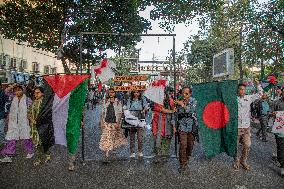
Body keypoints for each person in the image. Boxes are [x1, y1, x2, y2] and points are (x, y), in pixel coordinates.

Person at [234, 79, 263, 171]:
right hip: (236, 127)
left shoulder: (249, 98)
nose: (242, 91)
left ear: (245, 90)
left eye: (243, 89)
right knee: (235, 146)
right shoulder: (233, 99)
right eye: (240, 89)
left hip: (246, 127)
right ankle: (236, 161)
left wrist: (258, 85)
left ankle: (243, 161)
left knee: (247, 145)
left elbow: (260, 94)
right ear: (237, 90)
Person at [0, 84, 34, 163]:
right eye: (15, 91)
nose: (17, 92)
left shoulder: (27, 100)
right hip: (13, 122)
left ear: (23, 90)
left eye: (19, 90)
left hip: (24, 122)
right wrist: (13, 86)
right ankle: (8, 156)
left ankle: (30, 151)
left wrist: (31, 119)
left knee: (27, 137)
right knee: (11, 139)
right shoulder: (13, 98)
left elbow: (32, 109)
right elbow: (6, 91)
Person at [99, 88, 127, 162]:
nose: (111, 94)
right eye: (110, 92)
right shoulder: (105, 101)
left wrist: (118, 123)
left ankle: (113, 150)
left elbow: (120, 113)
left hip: (115, 122)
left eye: (112, 92)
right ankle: (106, 155)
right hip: (106, 122)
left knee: (114, 137)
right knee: (106, 137)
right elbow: (102, 113)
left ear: (115, 93)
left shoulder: (118, 102)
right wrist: (101, 122)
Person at [176, 86, 197, 173]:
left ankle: (187, 158)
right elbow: (175, 113)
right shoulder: (178, 100)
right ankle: (182, 163)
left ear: (190, 94)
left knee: (190, 145)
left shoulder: (194, 101)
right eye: (183, 93)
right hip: (181, 126)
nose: (184, 95)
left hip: (191, 126)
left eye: (186, 93)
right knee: (183, 145)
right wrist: (174, 125)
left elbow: (192, 110)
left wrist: (183, 105)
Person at [28, 87, 51, 166]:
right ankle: (39, 159)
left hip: (43, 127)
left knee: (44, 142)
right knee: (37, 144)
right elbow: (29, 113)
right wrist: (32, 120)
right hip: (34, 127)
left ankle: (47, 156)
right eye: (35, 93)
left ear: (42, 93)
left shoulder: (45, 103)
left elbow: (48, 115)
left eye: (38, 93)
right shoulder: (33, 102)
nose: (36, 94)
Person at [152, 92, 176, 163]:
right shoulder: (156, 102)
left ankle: (164, 155)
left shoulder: (171, 101)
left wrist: (174, 126)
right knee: (157, 141)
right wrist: (172, 111)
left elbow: (174, 113)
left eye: (163, 95)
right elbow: (161, 109)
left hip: (168, 124)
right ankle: (157, 157)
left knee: (166, 141)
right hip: (158, 124)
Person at [124, 90, 148, 159]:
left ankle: (140, 151)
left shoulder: (143, 99)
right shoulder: (130, 100)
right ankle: (132, 152)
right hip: (132, 120)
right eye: (135, 92)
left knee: (140, 138)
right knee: (132, 138)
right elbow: (127, 107)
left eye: (137, 92)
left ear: (139, 93)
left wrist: (144, 109)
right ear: (132, 93)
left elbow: (146, 106)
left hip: (140, 119)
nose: (136, 93)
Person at [272, 88, 284, 176]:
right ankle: (283, 166)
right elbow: (270, 112)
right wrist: (273, 114)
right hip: (280, 131)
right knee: (280, 148)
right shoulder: (276, 102)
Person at [0, 81, 9, 146]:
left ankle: (2, 140)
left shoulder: (3, 94)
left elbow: (7, 103)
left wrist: (6, 114)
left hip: (1, 114)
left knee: (1, 130)